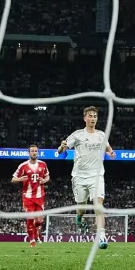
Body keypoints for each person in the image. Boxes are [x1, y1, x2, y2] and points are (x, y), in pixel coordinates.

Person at [55, 106, 115, 249]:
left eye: (95, 116)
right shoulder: (77, 135)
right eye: (90, 116)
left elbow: (108, 147)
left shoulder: (101, 135)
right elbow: (61, 150)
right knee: (81, 207)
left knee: (98, 206)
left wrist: (110, 152)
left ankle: (101, 237)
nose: (93, 118)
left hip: (97, 176)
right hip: (79, 177)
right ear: (85, 118)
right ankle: (79, 217)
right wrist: (61, 146)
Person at [10, 144, 49, 248]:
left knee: (40, 220)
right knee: (30, 218)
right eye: (32, 151)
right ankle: (32, 240)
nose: (34, 153)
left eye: (36, 151)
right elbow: (13, 179)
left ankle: (36, 231)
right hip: (28, 197)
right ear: (29, 153)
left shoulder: (43, 164)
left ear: (38, 152)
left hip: (40, 196)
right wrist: (19, 179)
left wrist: (44, 180)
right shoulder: (23, 166)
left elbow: (47, 176)